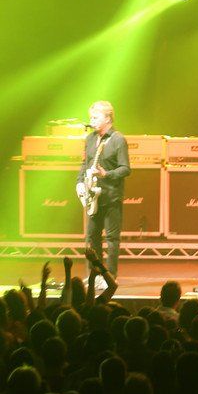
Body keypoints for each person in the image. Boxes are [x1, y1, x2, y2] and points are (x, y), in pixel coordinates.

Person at [76, 101, 130, 284]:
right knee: (92, 237)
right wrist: (79, 183)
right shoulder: (90, 139)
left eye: (95, 117)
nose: (91, 120)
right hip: (92, 197)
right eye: (91, 117)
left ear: (108, 118)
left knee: (112, 238)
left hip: (111, 196)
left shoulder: (117, 139)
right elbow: (84, 164)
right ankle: (94, 274)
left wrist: (106, 174)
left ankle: (110, 276)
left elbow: (125, 168)